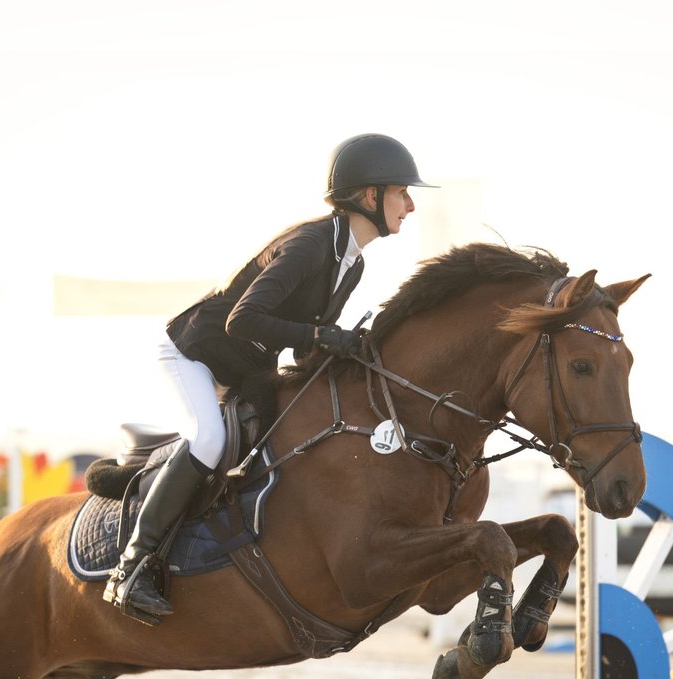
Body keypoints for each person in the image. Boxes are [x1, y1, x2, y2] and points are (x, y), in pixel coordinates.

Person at [104, 133, 436, 622]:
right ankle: (130, 569)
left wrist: (354, 350)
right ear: (370, 196)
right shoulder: (310, 245)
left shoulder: (352, 264)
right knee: (209, 439)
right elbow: (244, 320)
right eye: (402, 192)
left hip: (247, 365)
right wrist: (327, 335)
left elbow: (304, 343)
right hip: (195, 352)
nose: (410, 205)